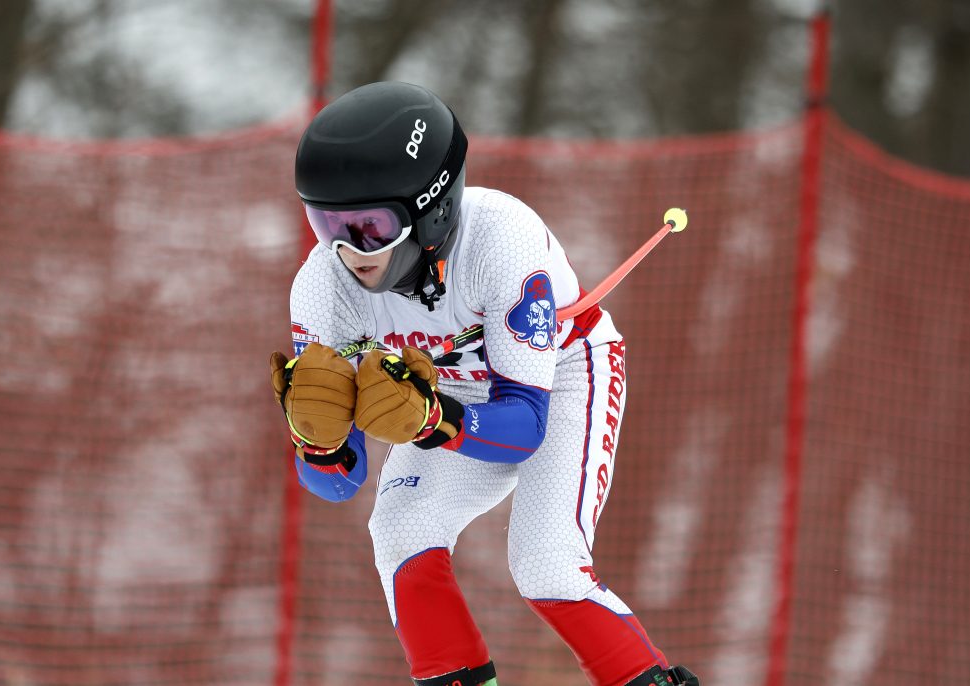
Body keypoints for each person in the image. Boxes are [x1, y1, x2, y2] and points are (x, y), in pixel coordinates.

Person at [269, 81, 698, 686]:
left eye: (370, 226)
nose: (348, 250)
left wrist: (432, 419)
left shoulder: (500, 237)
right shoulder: (323, 288)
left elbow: (525, 428)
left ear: (431, 208)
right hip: (451, 393)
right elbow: (339, 485)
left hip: (560, 376)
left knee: (546, 563)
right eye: (326, 223)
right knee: (400, 531)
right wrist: (319, 441)